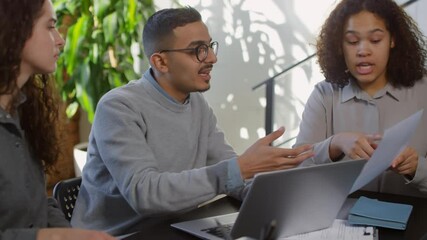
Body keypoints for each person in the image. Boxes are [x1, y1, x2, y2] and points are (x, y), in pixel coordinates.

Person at [71, 6, 314, 236]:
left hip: (172, 229)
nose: (211, 58)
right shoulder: (118, 107)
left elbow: (230, 172)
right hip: (119, 236)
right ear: (160, 62)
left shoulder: (197, 105)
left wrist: (274, 196)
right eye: (197, 50)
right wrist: (240, 168)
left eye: (209, 46)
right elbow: (145, 194)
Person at [0, 0, 116, 239]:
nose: (61, 40)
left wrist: (70, 234)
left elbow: (38, 207)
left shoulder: (22, 112)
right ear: (14, 29)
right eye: (50, 26)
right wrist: (52, 237)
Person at [294, 0, 427, 197]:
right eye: (353, 41)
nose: (363, 51)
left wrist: (417, 167)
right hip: (339, 223)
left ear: (392, 40)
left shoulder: (423, 91)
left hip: (414, 224)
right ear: (340, 45)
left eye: (375, 40)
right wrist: (333, 145)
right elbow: (296, 172)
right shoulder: (324, 95)